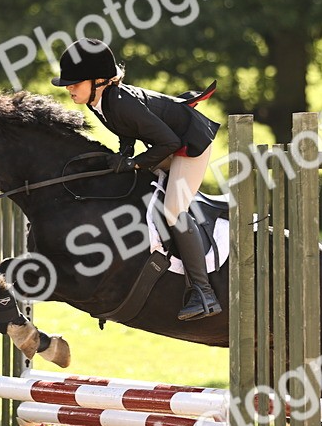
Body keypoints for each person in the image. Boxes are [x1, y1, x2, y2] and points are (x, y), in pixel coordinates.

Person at [51, 38, 222, 321]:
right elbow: (127, 130)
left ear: (99, 80)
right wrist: (125, 153)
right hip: (170, 144)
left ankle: (203, 293)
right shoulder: (99, 100)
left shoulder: (120, 103)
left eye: (75, 82)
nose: (69, 87)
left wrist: (132, 162)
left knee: (173, 210)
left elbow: (169, 141)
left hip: (189, 145)